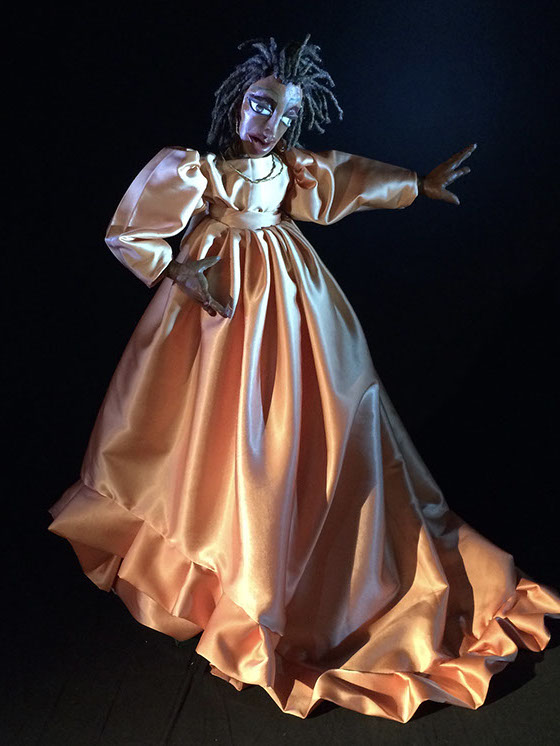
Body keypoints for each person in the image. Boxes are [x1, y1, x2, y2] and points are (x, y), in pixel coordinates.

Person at [47, 35, 560, 722]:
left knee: (300, 419)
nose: (271, 125)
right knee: (205, 421)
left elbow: (345, 180)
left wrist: (414, 186)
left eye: (285, 115)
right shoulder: (199, 170)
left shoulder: (291, 171)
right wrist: (175, 267)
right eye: (262, 106)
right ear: (236, 103)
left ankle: (290, 548)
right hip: (217, 297)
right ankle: (214, 552)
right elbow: (130, 230)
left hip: (289, 297)